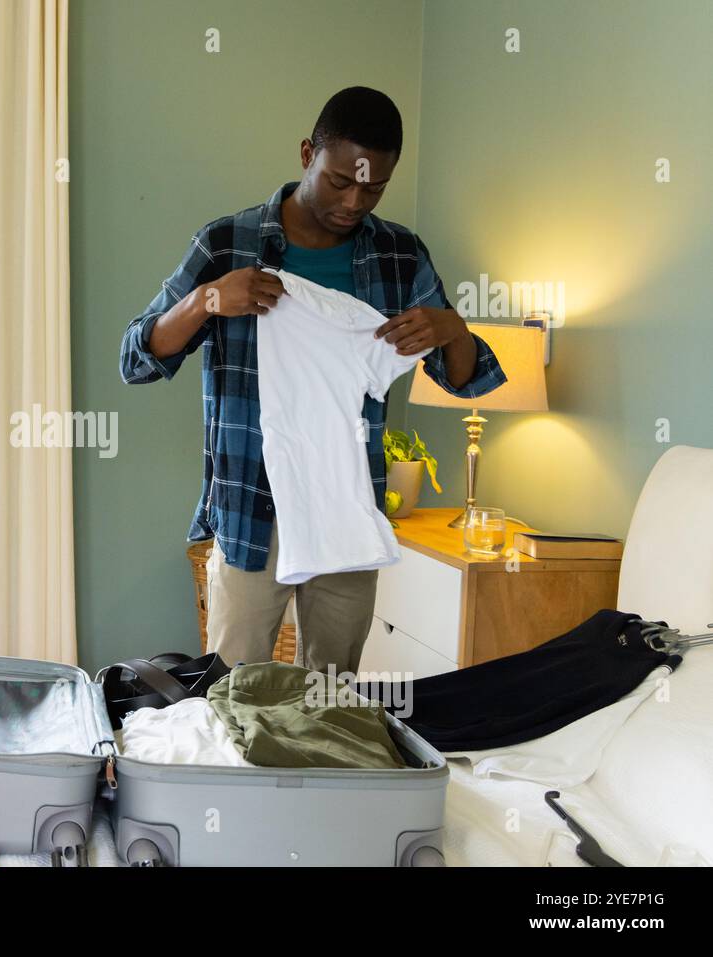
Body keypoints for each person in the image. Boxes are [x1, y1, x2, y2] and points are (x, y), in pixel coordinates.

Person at [119, 86, 507, 674]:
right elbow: (136, 359)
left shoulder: (400, 257)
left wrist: (453, 329)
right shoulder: (228, 244)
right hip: (251, 507)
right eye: (339, 181)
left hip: (345, 513)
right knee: (233, 697)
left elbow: (465, 384)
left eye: (373, 187)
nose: (354, 200)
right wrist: (207, 299)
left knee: (332, 698)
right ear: (308, 154)